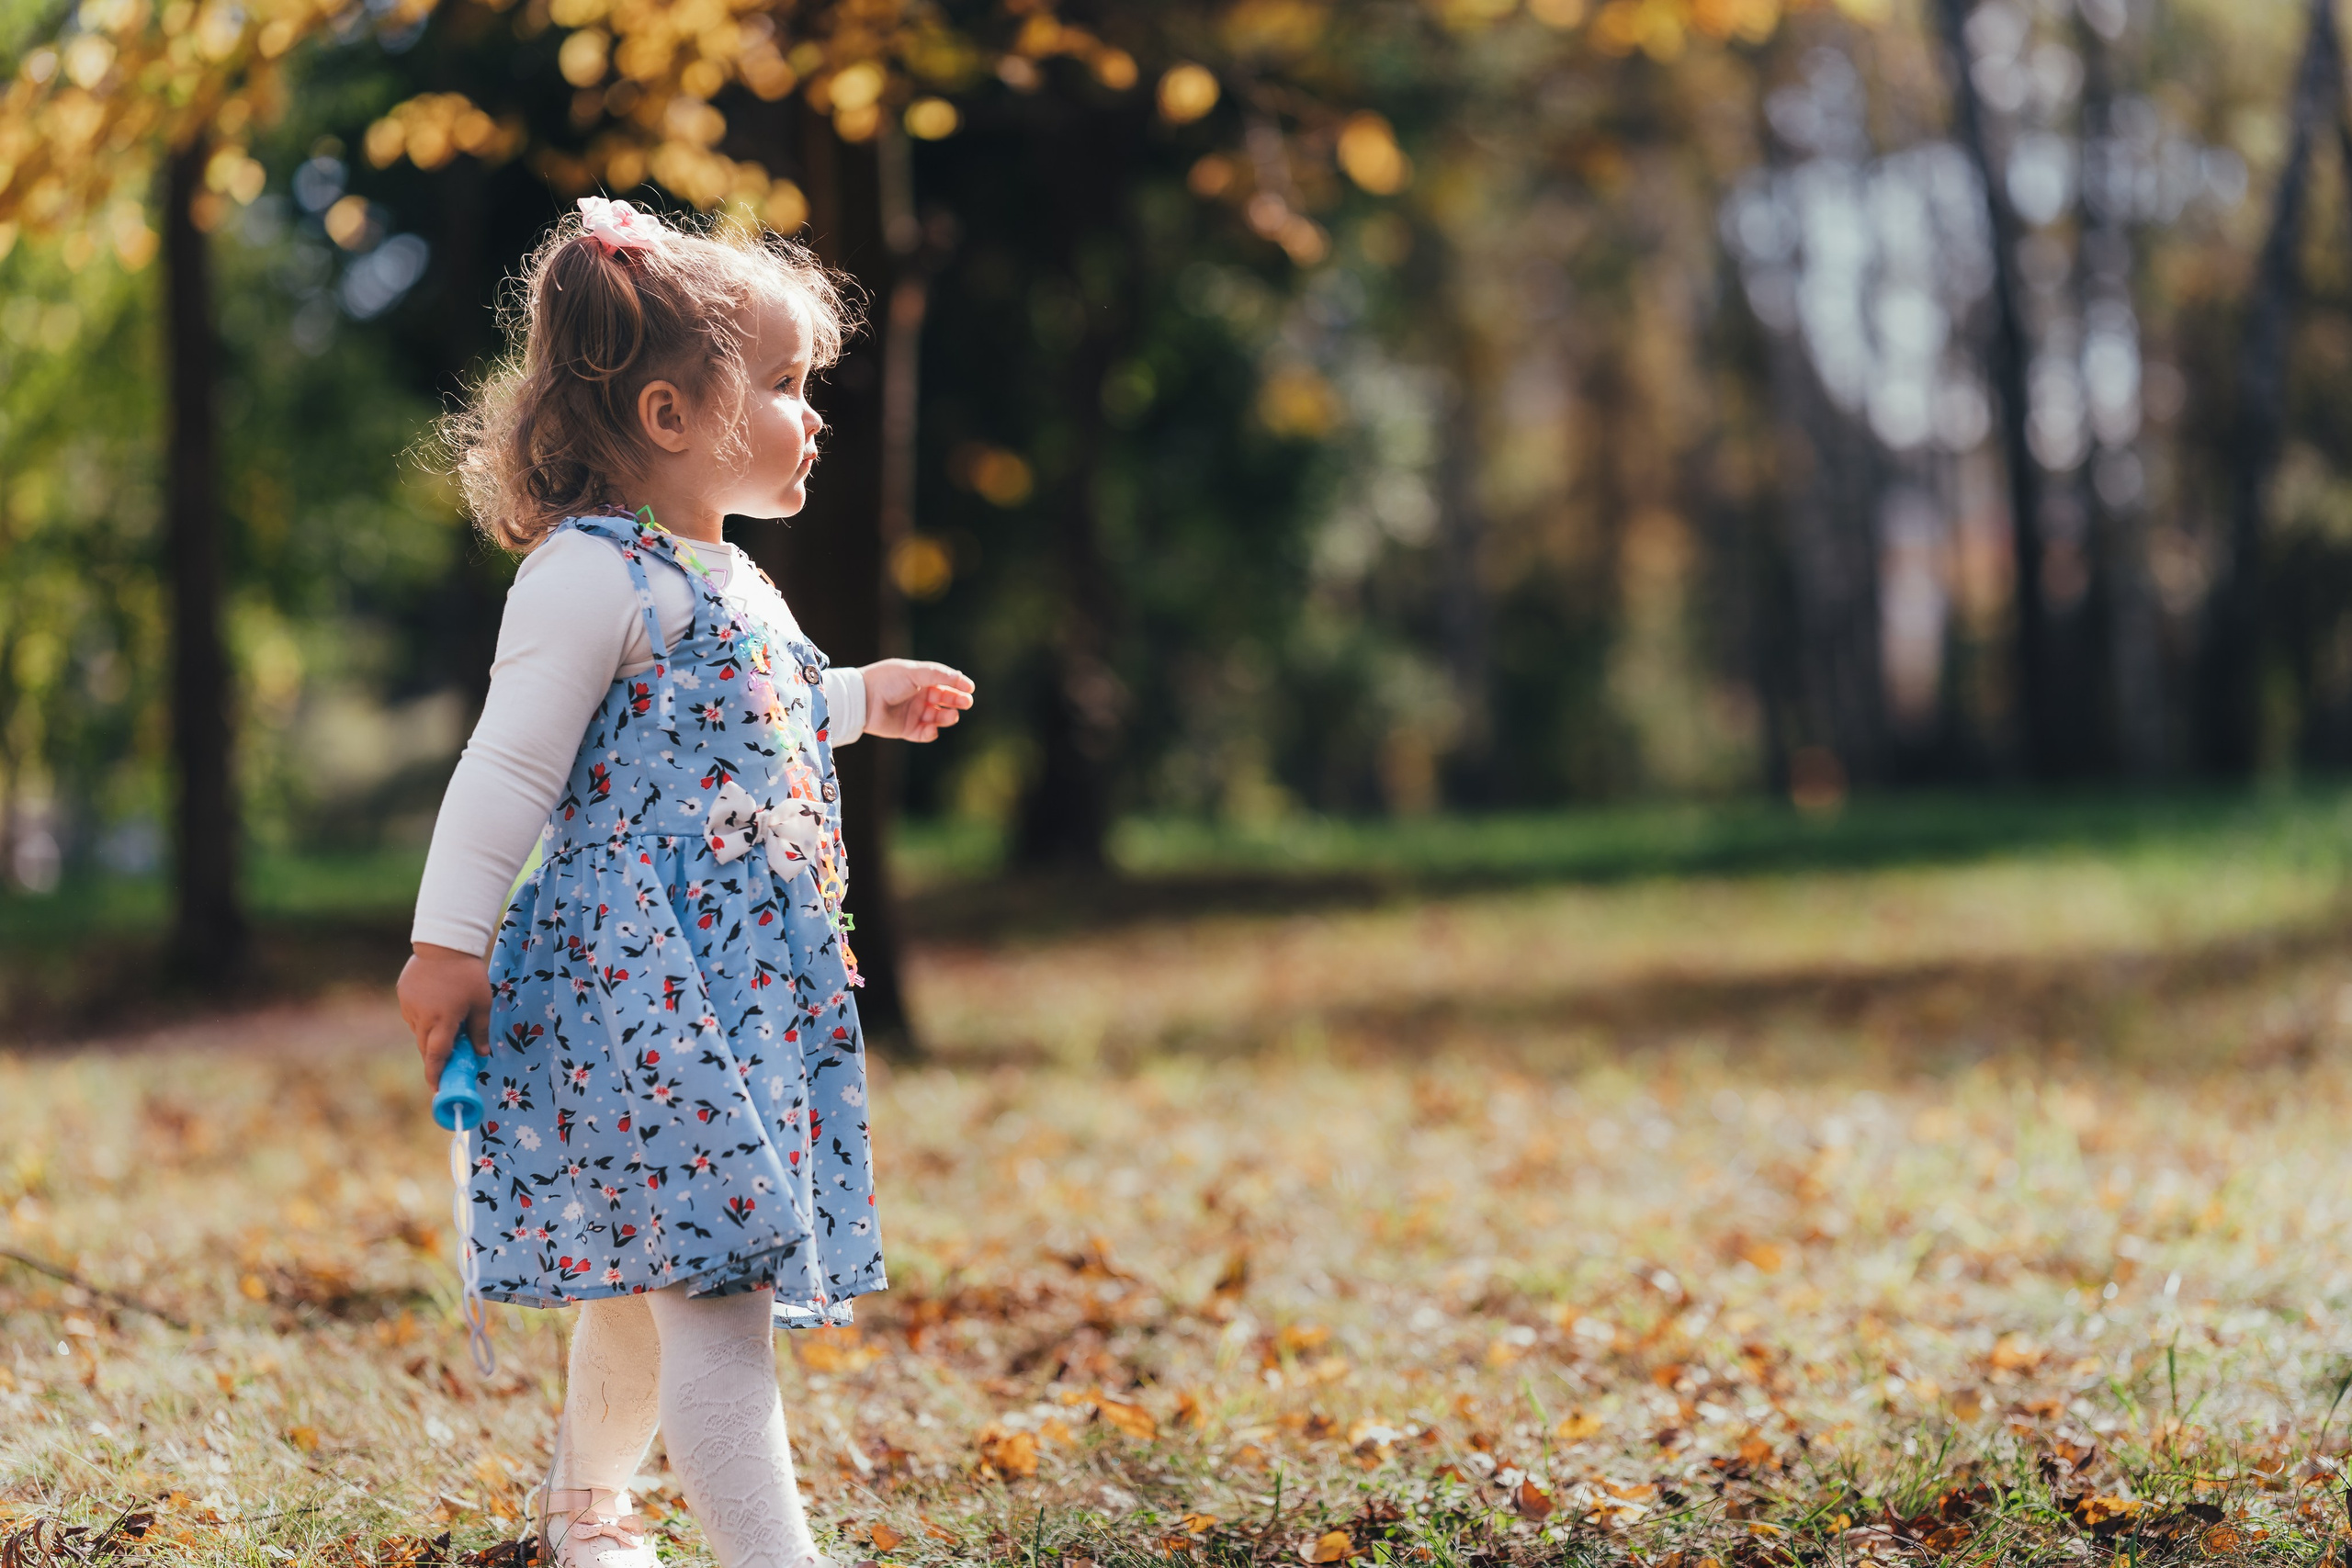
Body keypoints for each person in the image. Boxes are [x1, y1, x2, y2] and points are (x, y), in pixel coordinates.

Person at [397, 197, 973, 1568]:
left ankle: (585, 1519)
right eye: (782, 385)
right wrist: (446, 945)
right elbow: (505, 771)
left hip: (736, 996)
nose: (810, 413)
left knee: (655, 1274)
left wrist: (853, 700)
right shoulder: (589, 578)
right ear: (669, 415)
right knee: (714, 1287)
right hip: (633, 995)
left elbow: (744, 717)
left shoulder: (734, 582)